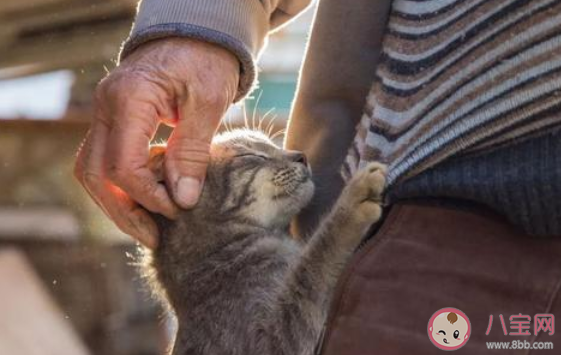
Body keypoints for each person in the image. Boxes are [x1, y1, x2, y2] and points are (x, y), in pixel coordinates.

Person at [75, 0, 561, 353]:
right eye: (257, 159)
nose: (295, 159)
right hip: (433, 209)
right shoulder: (224, 278)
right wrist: (198, 22)